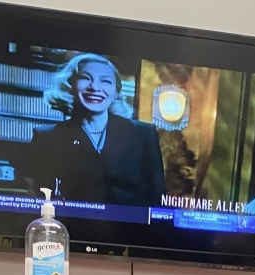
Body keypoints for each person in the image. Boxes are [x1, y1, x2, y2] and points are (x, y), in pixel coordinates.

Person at [28, 53, 165, 207]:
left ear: (115, 92)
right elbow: (40, 198)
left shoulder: (143, 134)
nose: (95, 87)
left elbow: (157, 199)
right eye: (85, 78)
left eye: (106, 81)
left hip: (131, 222)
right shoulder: (47, 137)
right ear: (70, 86)